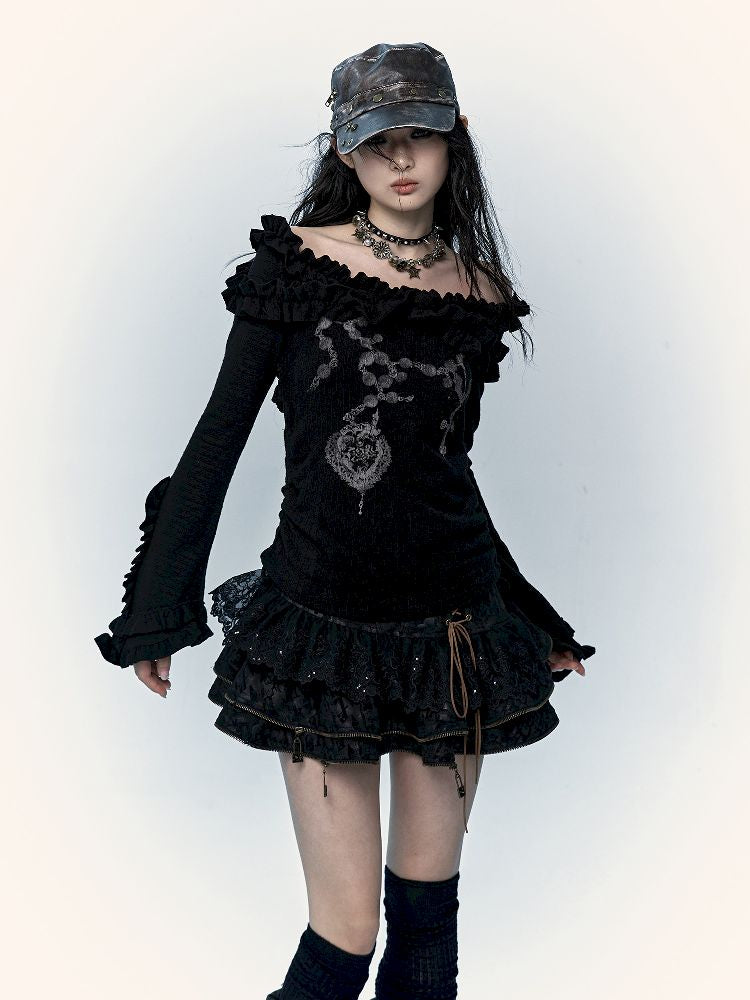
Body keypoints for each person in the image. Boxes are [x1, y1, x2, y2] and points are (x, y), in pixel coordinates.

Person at [94, 41, 596, 1000]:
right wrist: (156, 609)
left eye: (421, 138)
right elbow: (216, 441)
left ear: (455, 140)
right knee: (343, 937)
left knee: (427, 923)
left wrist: (532, 616)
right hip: (323, 631)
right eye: (377, 142)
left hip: (453, 636)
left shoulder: (478, 294)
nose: (401, 160)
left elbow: (443, 477)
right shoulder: (297, 268)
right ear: (343, 151)